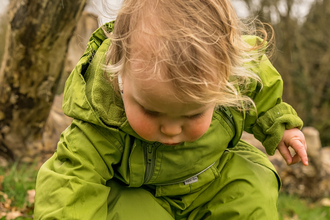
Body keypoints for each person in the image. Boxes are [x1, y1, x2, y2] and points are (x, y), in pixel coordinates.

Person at [34, 0, 308, 219]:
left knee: (251, 187)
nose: (171, 128)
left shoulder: (235, 75)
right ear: (118, 74)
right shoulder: (101, 120)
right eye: (151, 112)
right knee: (118, 207)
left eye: (192, 114)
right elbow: (71, 182)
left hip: (211, 182)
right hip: (140, 194)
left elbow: (260, 84)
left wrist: (279, 124)